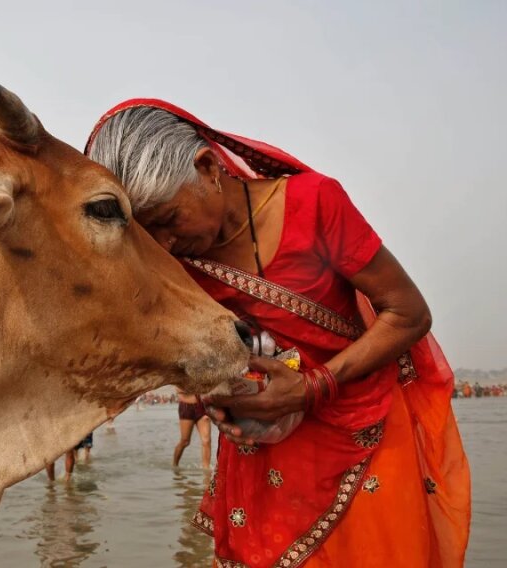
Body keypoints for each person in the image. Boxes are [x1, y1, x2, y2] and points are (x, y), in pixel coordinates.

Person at [85, 100, 470, 567]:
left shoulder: (314, 204)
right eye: (151, 235)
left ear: (207, 167)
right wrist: (218, 400)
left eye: (168, 220)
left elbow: (408, 313)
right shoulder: (178, 266)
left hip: (362, 432)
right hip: (262, 454)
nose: (165, 245)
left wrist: (310, 388)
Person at [174, 386, 212, 469]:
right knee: (185, 441)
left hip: (202, 407)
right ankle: (174, 465)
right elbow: (179, 390)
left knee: (206, 441)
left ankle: (206, 470)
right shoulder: (182, 374)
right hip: (186, 407)